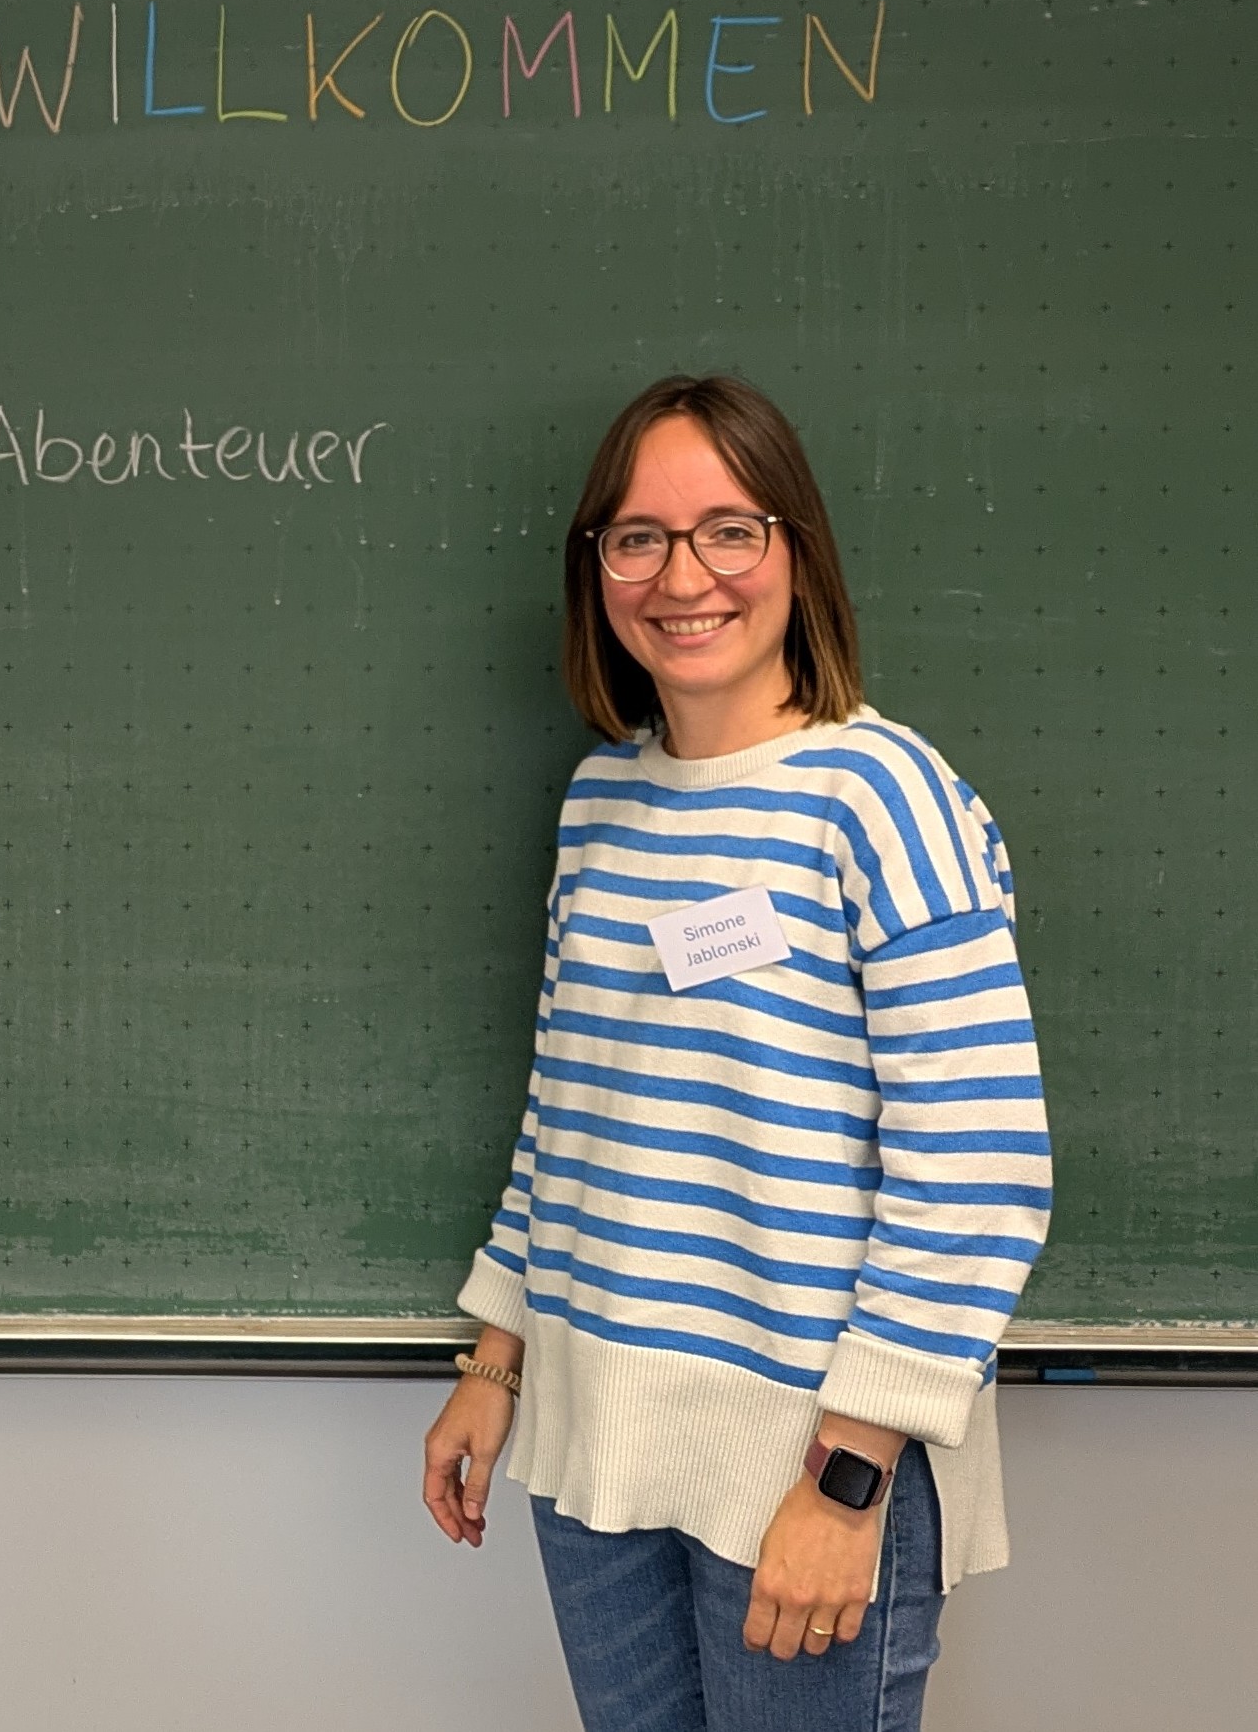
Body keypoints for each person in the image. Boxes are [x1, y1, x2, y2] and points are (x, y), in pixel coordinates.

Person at [420, 376, 1052, 1732]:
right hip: (596, 1440)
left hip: (803, 1464)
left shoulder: (880, 795)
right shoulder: (601, 802)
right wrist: (495, 1357)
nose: (680, 577)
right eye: (637, 539)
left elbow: (978, 1162)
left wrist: (847, 1482)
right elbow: (570, 1116)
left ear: (795, 551)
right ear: (594, 569)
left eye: (727, 530)